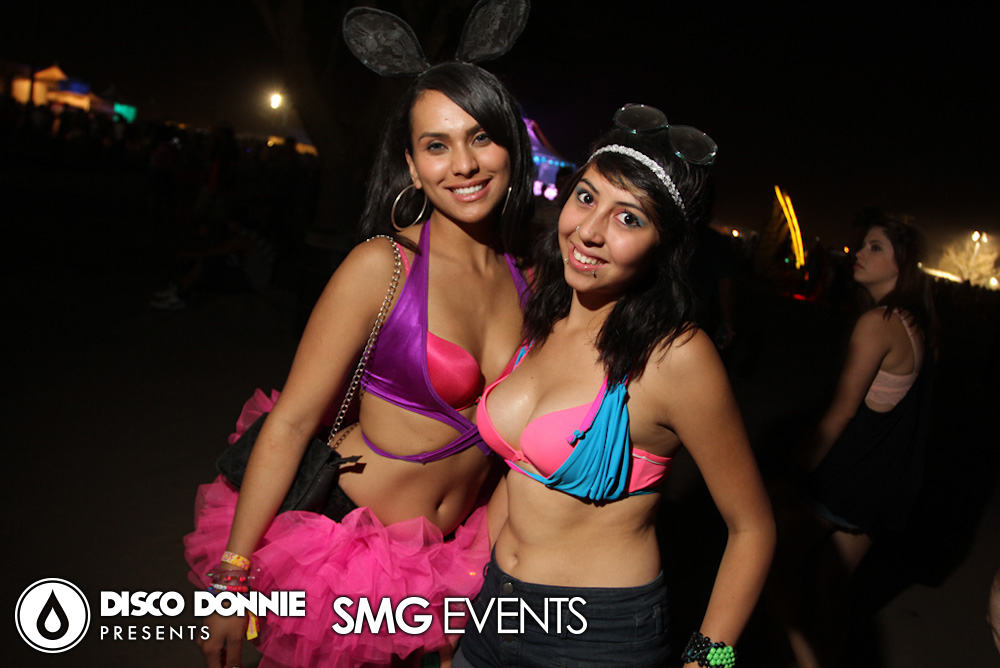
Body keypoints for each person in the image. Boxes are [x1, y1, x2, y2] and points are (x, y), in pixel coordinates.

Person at [183, 60, 534, 668]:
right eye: (437, 145)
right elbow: (293, 421)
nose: (464, 164)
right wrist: (232, 578)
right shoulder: (383, 265)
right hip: (344, 550)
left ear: (511, 147)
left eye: (481, 137)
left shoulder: (531, 277)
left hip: (453, 555)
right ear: (412, 166)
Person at [453, 104, 775, 667]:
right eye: (586, 197)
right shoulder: (544, 313)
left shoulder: (675, 356)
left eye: (629, 219)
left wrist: (709, 662)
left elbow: (753, 528)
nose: (590, 231)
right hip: (492, 608)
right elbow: (519, 474)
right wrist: (466, 587)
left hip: (598, 637)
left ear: (663, 245)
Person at [791, 211, 936, 666]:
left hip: (844, 483)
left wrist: (797, 469)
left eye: (876, 248)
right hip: (878, 491)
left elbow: (842, 412)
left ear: (900, 264)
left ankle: (710, 657)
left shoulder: (878, 322)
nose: (860, 254)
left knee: (770, 579)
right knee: (829, 597)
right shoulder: (915, 323)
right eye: (863, 244)